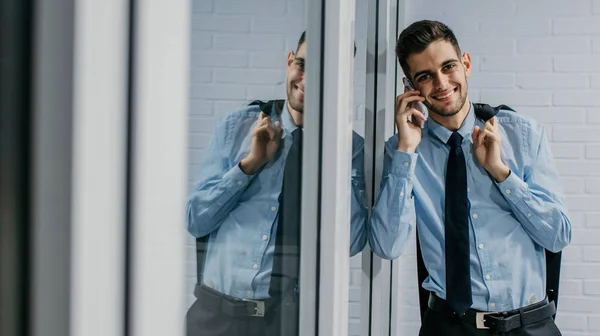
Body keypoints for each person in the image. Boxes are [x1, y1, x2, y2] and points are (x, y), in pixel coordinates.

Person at [368, 20, 571, 335]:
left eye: (448, 66)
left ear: (466, 64)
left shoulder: (522, 135)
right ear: (410, 87)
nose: (441, 82)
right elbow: (387, 246)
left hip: (529, 325)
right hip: (448, 327)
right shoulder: (402, 155)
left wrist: (501, 174)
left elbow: (558, 235)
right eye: (425, 76)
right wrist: (406, 152)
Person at [185, 31, 368, 336]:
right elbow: (195, 220)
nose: (308, 80)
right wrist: (249, 166)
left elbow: (350, 244)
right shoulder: (238, 127)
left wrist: (337, 155)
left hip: (284, 324)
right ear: (289, 62)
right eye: (302, 64)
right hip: (213, 318)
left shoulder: (350, 149)